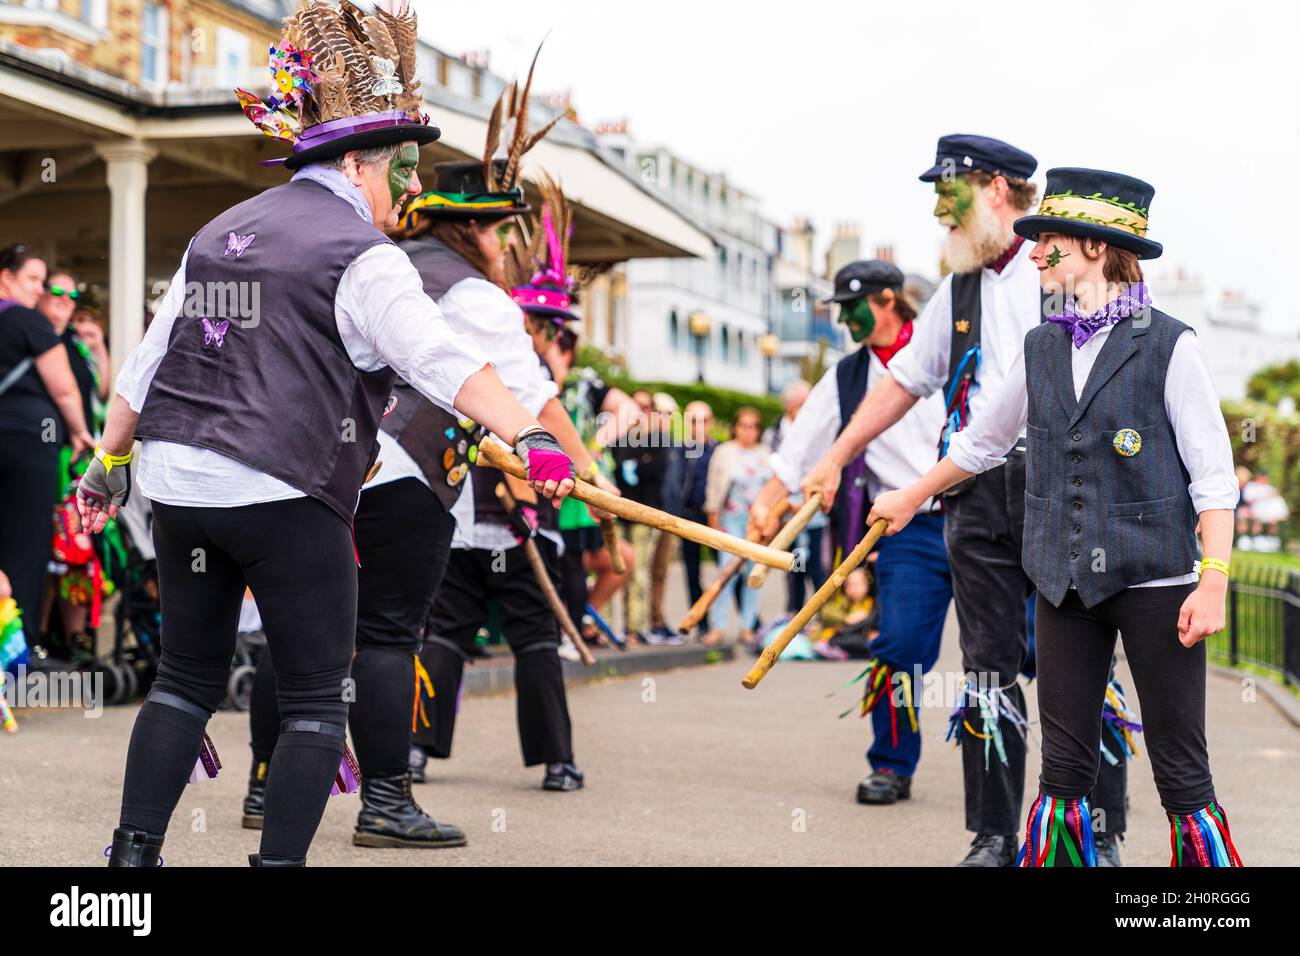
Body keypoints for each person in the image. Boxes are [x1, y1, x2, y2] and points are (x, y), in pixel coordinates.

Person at [79, 1, 575, 868]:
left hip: (181, 492)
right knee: (315, 700)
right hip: (281, 489)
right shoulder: (359, 251)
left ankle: (131, 864)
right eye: (403, 167)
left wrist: (105, 466)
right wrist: (533, 438)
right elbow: (440, 360)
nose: (411, 187)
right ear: (355, 162)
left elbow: (143, 368)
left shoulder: (217, 232)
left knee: (184, 680)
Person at [870, 167, 1243, 867]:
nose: (1036, 256)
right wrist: (912, 495)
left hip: (1157, 581)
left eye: (1051, 245)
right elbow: (983, 441)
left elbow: (1215, 478)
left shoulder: (1170, 344)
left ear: (1098, 250)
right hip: (1062, 582)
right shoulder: (1041, 346)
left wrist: (1215, 578)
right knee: (1063, 773)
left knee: (1181, 770)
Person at [802, 136, 1129, 865]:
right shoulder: (960, 288)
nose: (937, 211)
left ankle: (1098, 833)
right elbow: (904, 383)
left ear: (996, 189)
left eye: (948, 194)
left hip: (1062, 494)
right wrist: (836, 455)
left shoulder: (1070, 269)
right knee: (986, 669)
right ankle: (992, 835)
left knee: (1081, 668)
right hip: (976, 496)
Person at [398, 105, 616, 794]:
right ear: (469, 227)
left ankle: (414, 759)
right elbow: (535, 398)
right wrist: (588, 473)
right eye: (496, 226)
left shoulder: (390, 268)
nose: (502, 241)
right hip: (466, 499)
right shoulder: (479, 299)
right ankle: (416, 758)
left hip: (431, 496)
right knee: (460, 635)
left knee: (487, 636)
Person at [751, 260, 951, 805]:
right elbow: (796, 456)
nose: (845, 320)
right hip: (907, 530)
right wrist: (766, 508)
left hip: (980, 515)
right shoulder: (844, 377)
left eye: (851, 307)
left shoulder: (946, 349)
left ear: (889, 299)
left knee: (1035, 646)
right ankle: (891, 766)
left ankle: (1081, 773)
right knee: (897, 648)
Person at [0, 245, 94, 650]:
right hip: (27, 445)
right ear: (6, 278)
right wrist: (80, 434)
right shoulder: (26, 321)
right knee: (25, 545)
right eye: (33, 280)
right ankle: (16, 652)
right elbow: (65, 387)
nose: (40, 291)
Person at [703, 406, 772, 645]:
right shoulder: (724, 451)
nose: (748, 431)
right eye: (744, 425)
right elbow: (713, 486)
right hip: (730, 520)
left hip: (756, 523)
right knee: (727, 573)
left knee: (753, 576)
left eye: (753, 426)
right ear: (735, 428)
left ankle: (747, 626)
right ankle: (718, 626)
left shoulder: (766, 453)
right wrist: (713, 520)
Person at [615, 389, 670, 644]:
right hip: (615, 513)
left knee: (638, 573)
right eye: (636, 405)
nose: (642, 411)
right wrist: (639, 460)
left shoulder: (658, 439)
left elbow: (654, 472)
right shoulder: (616, 437)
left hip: (643, 515)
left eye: (647, 406)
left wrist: (638, 461)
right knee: (613, 569)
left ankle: (634, 629)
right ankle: (604, 628)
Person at [679, 400, 718, 635]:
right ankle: (701, 622)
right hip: (688, 518)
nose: (699, 426)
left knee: (729, 569)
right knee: (691, 572)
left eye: (704, 420)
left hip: (715, 519)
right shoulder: (678, 451)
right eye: (694, 421)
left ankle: (748, 622)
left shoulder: (720, 450)